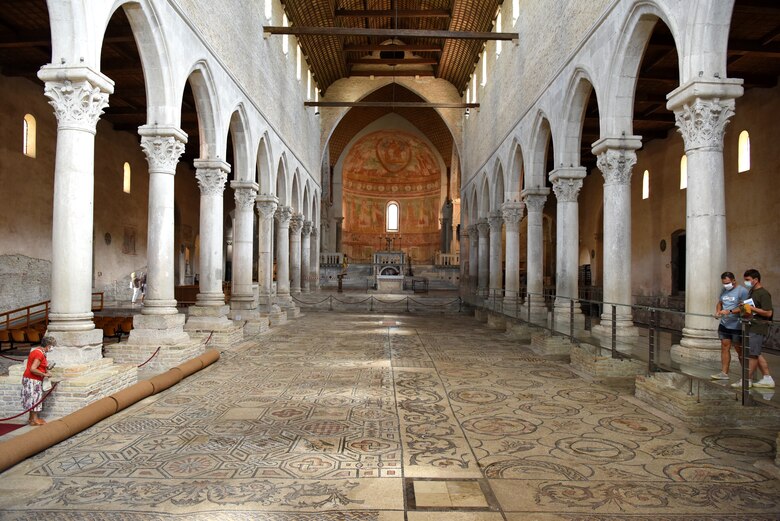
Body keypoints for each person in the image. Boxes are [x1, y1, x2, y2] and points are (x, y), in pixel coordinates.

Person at [731, 269, 774, 389]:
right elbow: (750, 309)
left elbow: (768, 312)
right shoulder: (752, 292)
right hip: (750, 325)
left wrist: (751, 308)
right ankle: (767, 377)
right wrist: (744, 307)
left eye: (748, 280)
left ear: (756, 280)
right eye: (745, 280)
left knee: (753, 354)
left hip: (758, 327)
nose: (746, 282)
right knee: (756, 352)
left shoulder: (763, 293)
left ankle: (746, 380)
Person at [711, 272, 748, 380]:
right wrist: (718, 311)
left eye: (727, 283)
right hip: (724, 324)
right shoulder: (724, 290)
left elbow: (746, 307)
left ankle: (746, 376)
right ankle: (724, 372)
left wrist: (730, 311)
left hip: (737, 325)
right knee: (724, 347)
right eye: (723, 283)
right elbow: (720, 303)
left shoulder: (742, 291)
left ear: (733, 280)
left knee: (739, 349)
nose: (726, 285)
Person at [21, 336, 55, 426]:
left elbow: (38, 365)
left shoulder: (38, 351)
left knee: (32, 398)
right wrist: (45, 374)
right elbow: (33, 369)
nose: (52, 348)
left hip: (30, 378)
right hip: (32, 379)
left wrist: (46, 368)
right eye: (52, 346)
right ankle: (35, 420)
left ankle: (31, 418)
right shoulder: (39, 353)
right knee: (35, 399)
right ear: (48, 346)